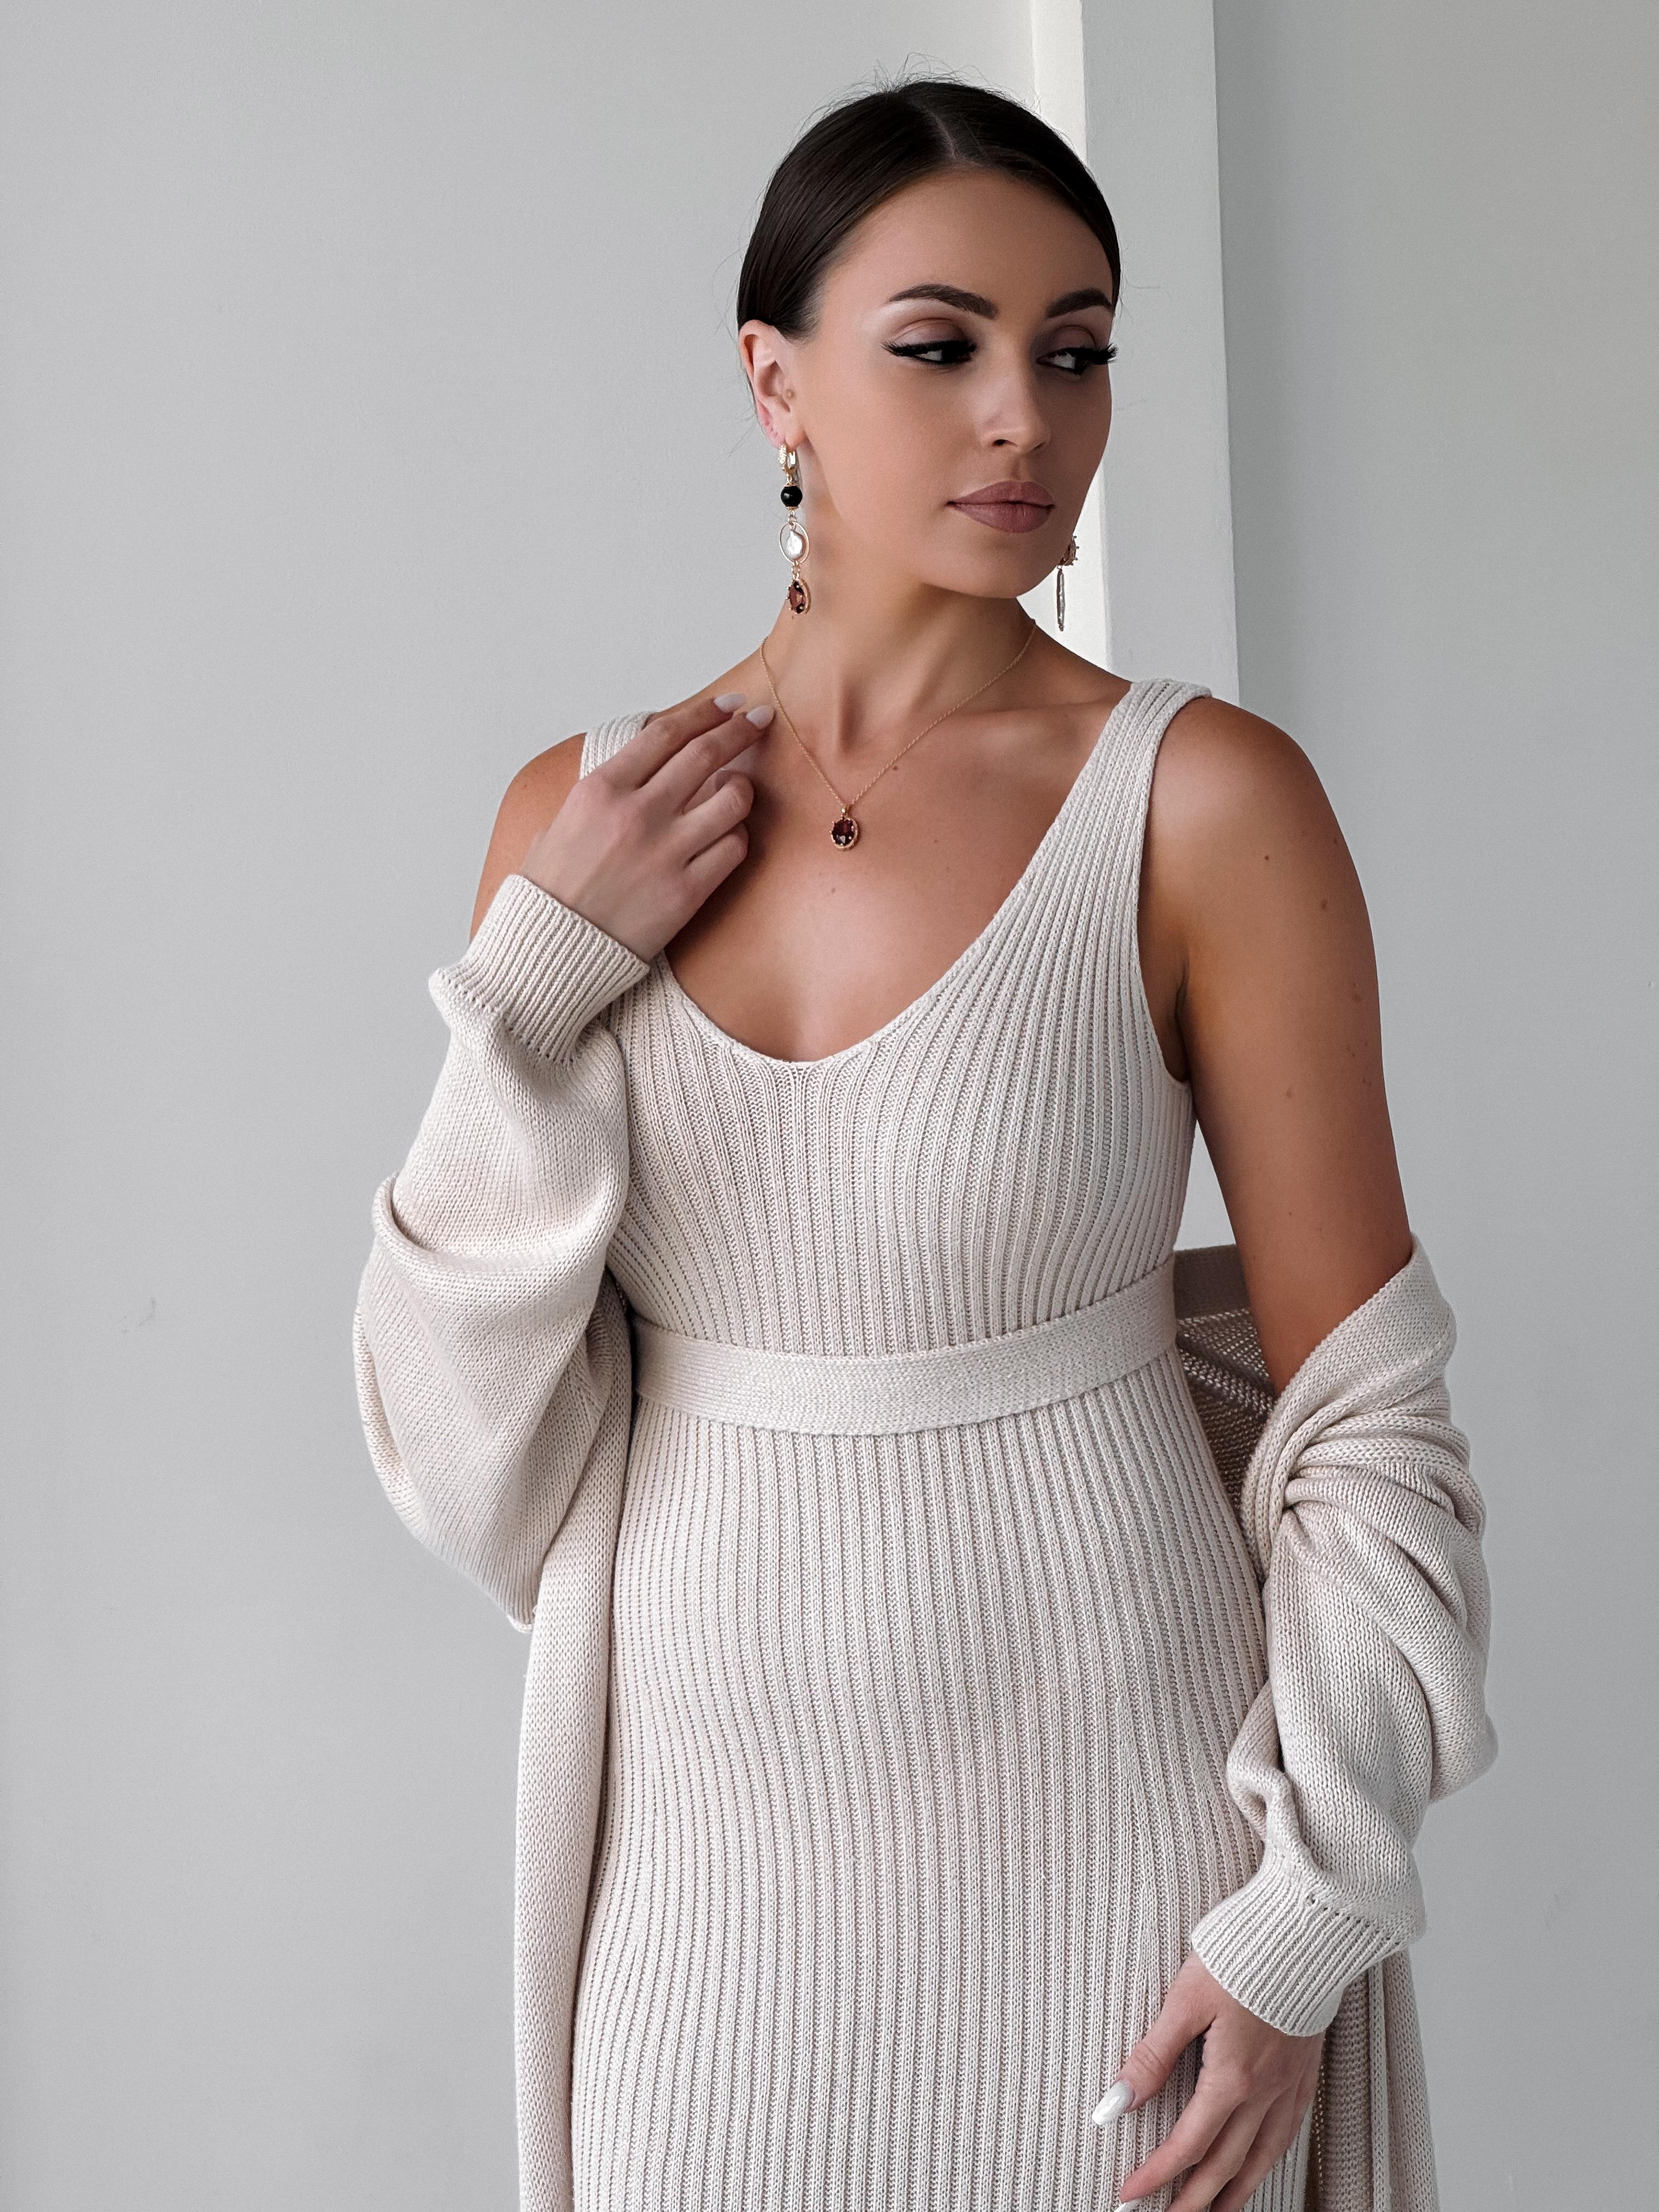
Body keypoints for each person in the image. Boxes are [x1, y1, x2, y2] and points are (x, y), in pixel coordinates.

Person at [353, 78, 1497, 2212]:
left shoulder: (1203, 804)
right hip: (697, 1878)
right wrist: (533, 978)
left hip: (1123, 1850)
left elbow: (1366, 1419)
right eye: (941, 344)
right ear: (773, 379)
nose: (1023, 418)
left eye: (1078, 351)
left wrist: (1306, 1911)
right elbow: (465, 1458)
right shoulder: (577, 825)